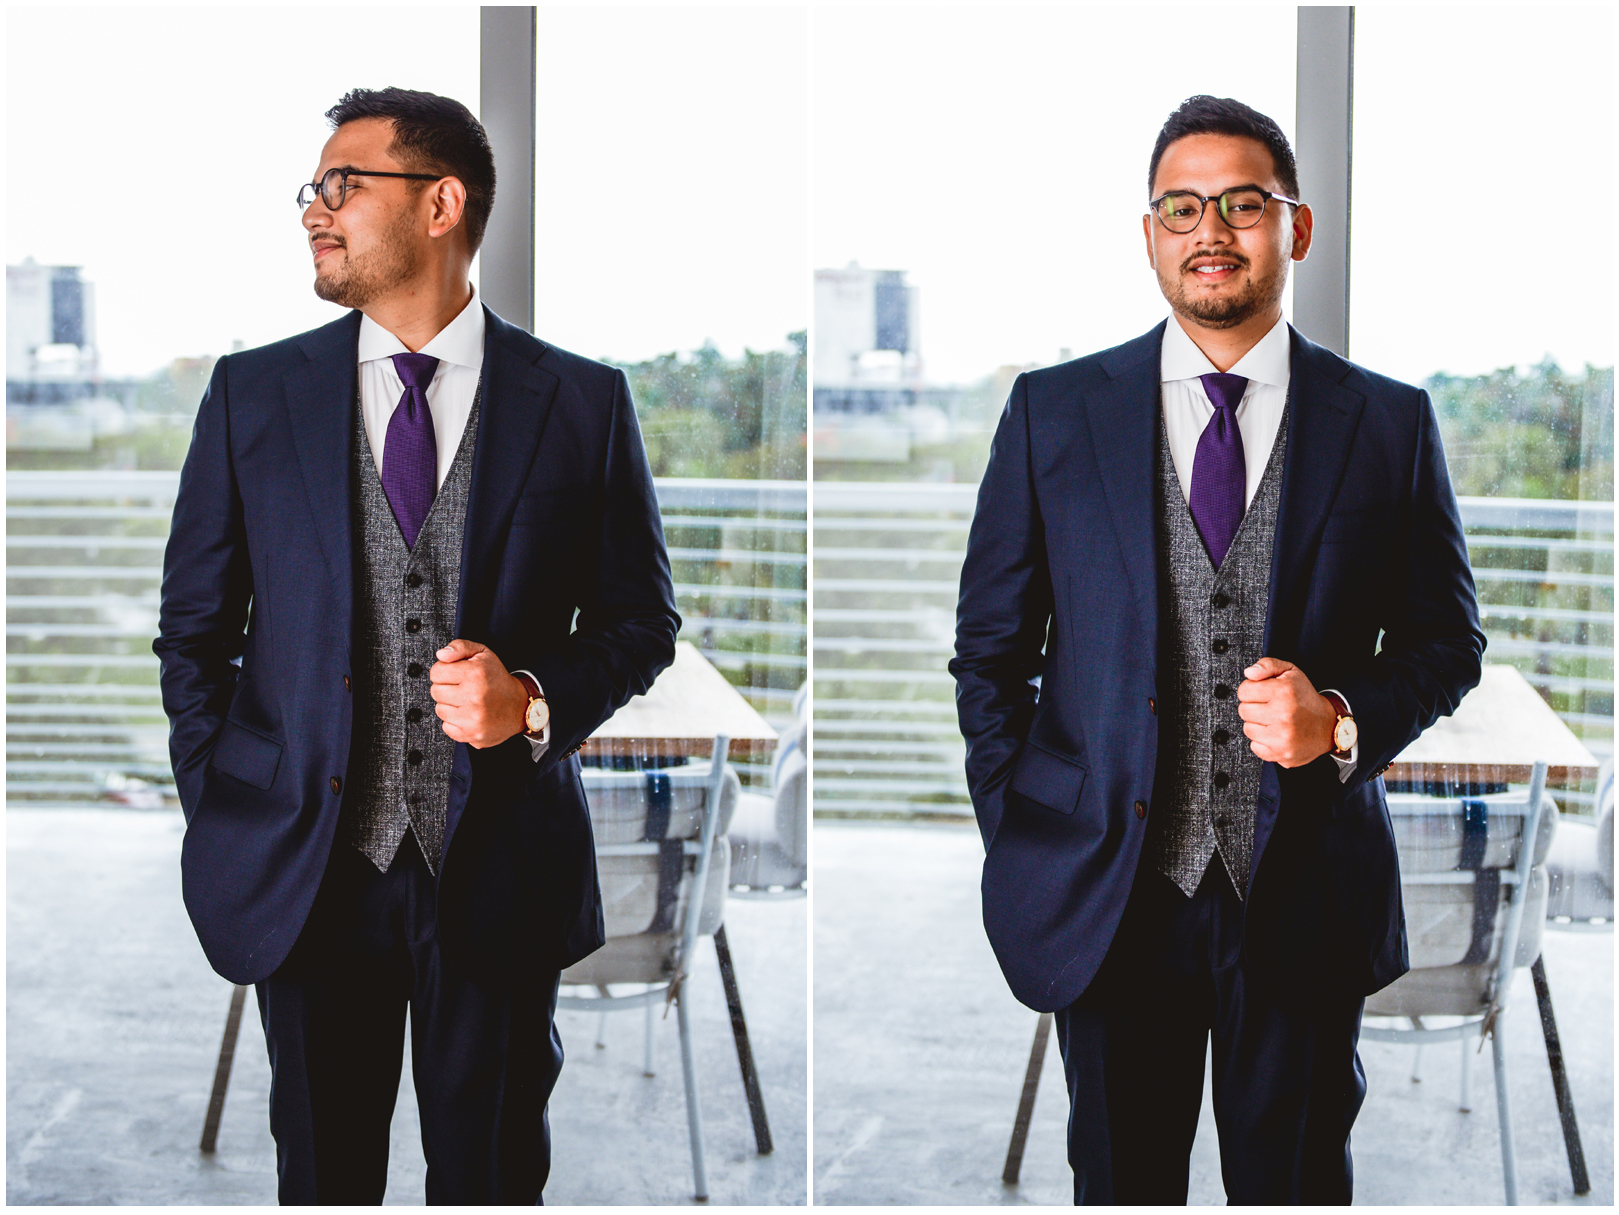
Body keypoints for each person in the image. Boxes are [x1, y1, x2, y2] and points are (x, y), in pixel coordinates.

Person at [950, 95, 1484, 1204]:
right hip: (1105, 888)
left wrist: (1338, 722)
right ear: (1147, 233)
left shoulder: (1385, 423)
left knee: (1291, 1186)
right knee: (1120, 1182)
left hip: (1304, 895)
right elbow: (989, 653)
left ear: (1292, 227)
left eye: (1242, 203)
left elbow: (1445, 641)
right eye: (1180, 207)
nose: (1210, 230)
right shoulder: (1051, 412)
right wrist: (1022, 822)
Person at [155, 87, 680, 1204]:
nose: (314, 210)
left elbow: (642, 622)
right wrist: (225, 795)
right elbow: (195, 633)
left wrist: (533, 699)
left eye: (343, 186)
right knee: (323, 1175)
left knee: (490, 1177)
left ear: (440, 204)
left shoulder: (580, 403)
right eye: (313, 189)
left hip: (497, 875)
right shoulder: (253, 396)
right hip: (306, 869)